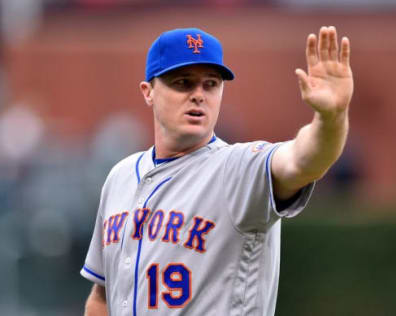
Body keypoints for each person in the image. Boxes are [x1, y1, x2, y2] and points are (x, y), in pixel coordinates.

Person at [81, 26, 353, 316]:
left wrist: (331, 118)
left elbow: (303, 160)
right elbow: (103, 295)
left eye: (210, 84)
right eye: (183, 82)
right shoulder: (120, 177)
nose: (199, 95)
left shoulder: (238, 169)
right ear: (148, 92)